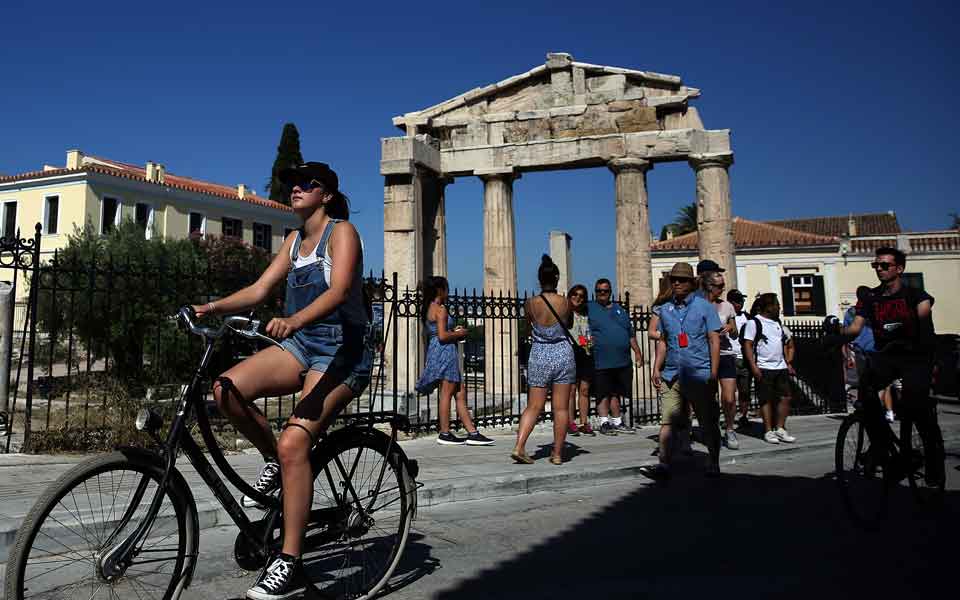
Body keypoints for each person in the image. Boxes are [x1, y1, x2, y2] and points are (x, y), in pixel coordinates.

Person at [193, 161, 372, 599]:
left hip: (342, 352)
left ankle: (289, 562)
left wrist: (292, 320)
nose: (296, 188)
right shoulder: (293, 240)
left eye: (307, 183)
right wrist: (208, 307)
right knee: (225, 389)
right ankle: (278, 460)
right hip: (302, 346)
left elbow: (341, 290)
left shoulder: (341, 233)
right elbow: (258, 290)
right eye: (294, 183)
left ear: (326, 194)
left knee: (297, 443)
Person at [835, 246, 944, 487]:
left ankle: (933, 458)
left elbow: (923, 315)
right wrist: (835, 336)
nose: (879, 269)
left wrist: (915, 331)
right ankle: (883, 448)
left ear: (899, 269)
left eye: (885, 265)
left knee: (916, 404)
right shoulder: (871, 298)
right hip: (888, 356)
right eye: (876, 265)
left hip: (916, 356)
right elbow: (855, 328)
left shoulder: (916, 295)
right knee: (866, 395)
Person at [646, 262, 723, 479]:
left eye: (682, 279)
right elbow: (663, 340)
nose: (677, 283)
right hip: (672, 374)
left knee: (707, 421)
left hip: (698, 372)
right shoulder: (665, 309)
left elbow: (713, 340)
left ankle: (714, 461)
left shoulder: (704, 307)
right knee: (667, 420)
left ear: (692, 283)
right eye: (674, 279)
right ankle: (663, 464)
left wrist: (714, 373)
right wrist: (656, 368)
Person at [512, 256, 576, 464]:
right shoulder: (565, 303)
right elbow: (569, 324)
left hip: (539, 353)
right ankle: (557, 453)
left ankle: (519, 446)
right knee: (561, 408)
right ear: (557, 278)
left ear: (539, 279)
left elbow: (528, 327)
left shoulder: (530, 303)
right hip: (562, 353)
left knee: (534, 406)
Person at [415, 276, 494, 446]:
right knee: (447, 394)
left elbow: (437, 333)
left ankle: (472, 432)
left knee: (459, 392)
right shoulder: (441, 309)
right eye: (446, 288)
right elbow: (443, 336)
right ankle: (444, 432)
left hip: (437, 350)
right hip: (445, 352)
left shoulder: (428, 308)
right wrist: (459, 333)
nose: (448, 292)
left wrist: (453, 331)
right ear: (440, 290)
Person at [588, 278, 643, 435]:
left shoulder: (620, 310)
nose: (602, 294)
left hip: (622, 360)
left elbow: (630, 334)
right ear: (595, 292)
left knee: (616, 392)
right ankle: (604, 422)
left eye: (605, 291)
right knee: (602, 392)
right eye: (599, 291)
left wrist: (638, 352)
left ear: (610, 292)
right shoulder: (590, 308)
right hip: (601, 359)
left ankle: (617, 421)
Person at [742, 293, 797, 445]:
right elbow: (748, 345)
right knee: (765, 399)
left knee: (785, 397)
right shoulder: (754, 323)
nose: (779, 307)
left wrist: (787, 363)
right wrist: (754, 366)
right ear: (769, 307)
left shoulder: (777, 322)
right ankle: (768, 430)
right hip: (764, 367)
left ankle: (780, 428)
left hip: (780, 366)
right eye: (777, 304)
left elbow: (785, 343)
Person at [702, 272, 740, 450]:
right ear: (709, 286)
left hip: (725, 354)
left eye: (723, 285)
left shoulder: (727, 306)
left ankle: (730, 428)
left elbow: (735, 332)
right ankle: (711, 428)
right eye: (719, 286)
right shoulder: (699, 306)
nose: (723, 289)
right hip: (705, 355)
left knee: (730, 397)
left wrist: (730, 328)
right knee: (709, 398)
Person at [842, 286, 889, 418]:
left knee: (866, 381)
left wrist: (841, 341)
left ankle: (871, 408)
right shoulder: (878, 309)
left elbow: (848, 332)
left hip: (862, 349)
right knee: (877, 384)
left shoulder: (852, 312)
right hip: (875, 349)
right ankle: (876, 408)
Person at [566, 283, 596, 436]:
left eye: (582, 296)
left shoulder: (587, 314)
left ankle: (584, 422)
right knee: (571, 390)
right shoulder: (565, 313)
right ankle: (570, 422)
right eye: (575, 294)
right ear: (570, 296)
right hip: (571, 353)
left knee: (584, 389)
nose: (578, 298)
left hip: (586, 353)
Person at [727, 289, 752, 428]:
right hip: (729, 356)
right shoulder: (725, 316)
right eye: (737, 301)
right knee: (729, 392)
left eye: (741, 301)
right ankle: (730, 416)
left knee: (745, 390)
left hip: (743, 358)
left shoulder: (747, 317)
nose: (740, 304)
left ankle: (743, 415)